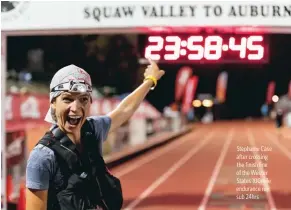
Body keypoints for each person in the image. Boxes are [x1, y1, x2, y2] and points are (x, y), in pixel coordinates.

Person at [25, 59, 165, 210]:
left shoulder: (92, 129)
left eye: (83, 99)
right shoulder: (42, 157)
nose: (76, 108)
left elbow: (124, 110)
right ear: (53, 102)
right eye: (67, 99)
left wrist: (150, 80)